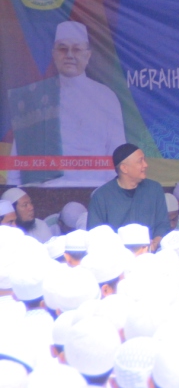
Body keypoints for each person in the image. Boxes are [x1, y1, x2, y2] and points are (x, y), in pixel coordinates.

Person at [6, 21, 126, 186]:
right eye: (63, 49)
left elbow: (118, 153)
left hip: (95, 188)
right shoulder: (36, 97)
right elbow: (21, 153)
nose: (69, 55)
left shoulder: (106, 97)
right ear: (54, 54)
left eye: (76, 49)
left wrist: (111, 193)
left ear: (88, 55)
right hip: (45, 190)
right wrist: (14, 190)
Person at [87, 143, 169, 250]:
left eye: (144, 160)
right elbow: (95, 234)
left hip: (150, 255)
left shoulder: (154, 189)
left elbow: (163, 224)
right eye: (140, 161)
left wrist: (155, 243)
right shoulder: (101, 196)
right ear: (124, 168)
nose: (145, 165)